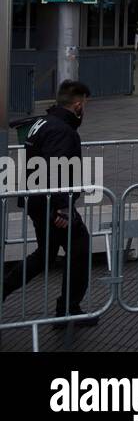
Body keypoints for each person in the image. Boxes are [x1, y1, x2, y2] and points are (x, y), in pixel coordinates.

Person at [2, 80, 95, 326]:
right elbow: (56, 169)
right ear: (77, 104)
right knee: (80, 249)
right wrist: (63, 208)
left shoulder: (42, 123)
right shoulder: (61, 130)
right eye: (84, 103)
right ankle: (68, 310)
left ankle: (66, 308)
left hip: (39, 202)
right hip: (53, 205)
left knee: (45, 255)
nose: (84, 108)